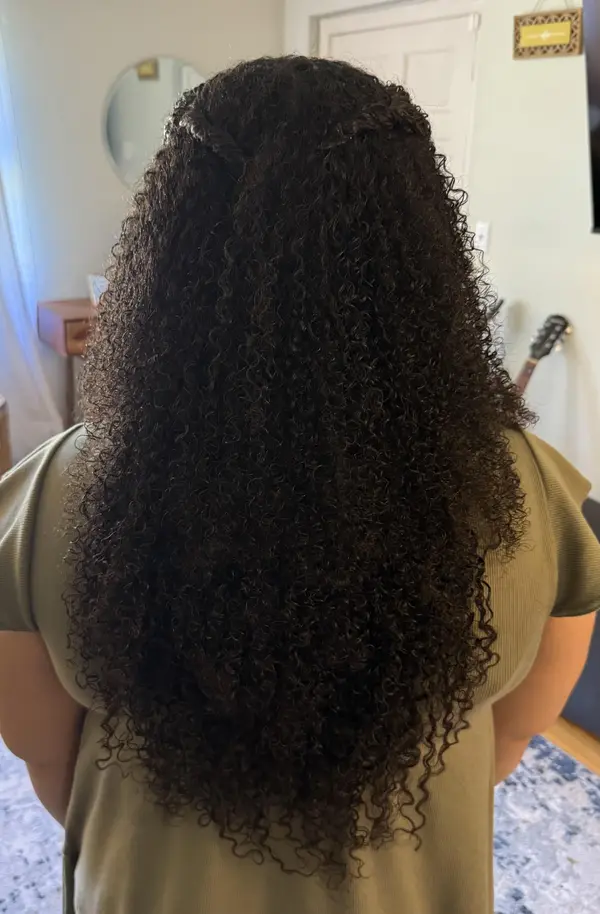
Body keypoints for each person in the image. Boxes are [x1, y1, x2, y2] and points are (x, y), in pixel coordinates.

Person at [0, 56, 599, 914]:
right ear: (423, 250)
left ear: (167, 255)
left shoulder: (48, 497)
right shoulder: (533, 494)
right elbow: (505, 746)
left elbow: (49, 764)